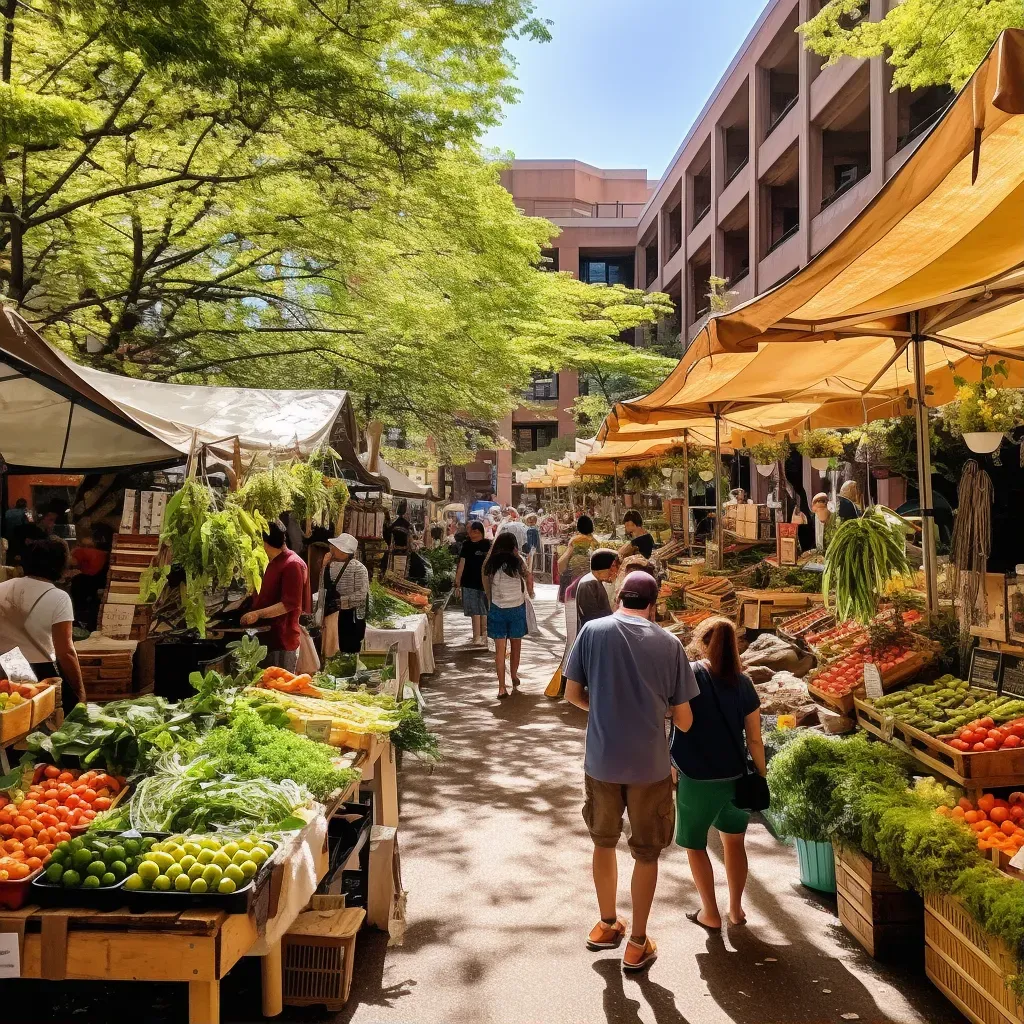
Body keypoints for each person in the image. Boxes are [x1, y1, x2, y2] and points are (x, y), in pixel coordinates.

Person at [565, 571, 698, 971]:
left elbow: (573, 694)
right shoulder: (670, 643)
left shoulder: (593, 632)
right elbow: (686, 721)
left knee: (603, 843)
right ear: (654, 605)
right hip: (650, 765)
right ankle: (637, 942)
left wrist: (605, 711)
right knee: (646, 852)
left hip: (602, 761)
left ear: (619, 596)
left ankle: (606, 924)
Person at [670, 616, 766, 932]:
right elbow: (754, 738)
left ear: (702, 642)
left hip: (697, 776)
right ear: (735, 646)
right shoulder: (746, 684)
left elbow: (676, 721)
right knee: (734, 843)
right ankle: (736, 910)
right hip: (735, 776)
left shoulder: (690, 676)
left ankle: (710, 912)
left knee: (695, 844)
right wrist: (760, 777)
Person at [0, 537, 86, 710]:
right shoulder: (59, 598)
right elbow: (66, 652)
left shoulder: (2, 588)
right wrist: (80, 691)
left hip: (3, 669)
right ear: (60, 565)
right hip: (40, 674)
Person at [240, 519, 311, 670]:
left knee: (277, 685)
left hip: (282, 639)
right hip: (267, 637)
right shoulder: (273, 561)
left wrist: (257, 614)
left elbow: (289, 604)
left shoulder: (292, 564)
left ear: (264, 542)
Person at [482, 532, 533, 699]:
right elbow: (528, 576)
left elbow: (486, 585)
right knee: (516, 645)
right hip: (517, 608)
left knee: (500, 650)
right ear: (514, 545)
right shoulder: (518, 561)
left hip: (497, 608)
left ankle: (501, 687)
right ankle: (514, 675)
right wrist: (530, 592)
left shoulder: (490, 563)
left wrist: (491, 602)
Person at [321, 534, 370, 658]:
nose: (332, 548)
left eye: (336, 547)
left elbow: (361, 595)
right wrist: (324, 566)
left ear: (344, 551)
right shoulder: (328, 566)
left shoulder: (359, 568)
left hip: (350, 617)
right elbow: (321, 587)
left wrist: (340, 602)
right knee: (332, 650)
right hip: (332, 614)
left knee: (349, 651)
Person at [455, 521, 491, 647]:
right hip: (469, 581)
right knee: (475, 610)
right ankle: (477, 636)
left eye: (470, 530)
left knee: (483, 609)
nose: (468, 533)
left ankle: (484, 635)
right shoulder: (466, 545)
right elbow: (462, 563)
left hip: (484, 582)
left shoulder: (487, 544)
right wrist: (458, 580)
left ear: (477, 532)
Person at [570, 549, 620, 634]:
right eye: (611, 567)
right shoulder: (588, 583)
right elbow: (592, 617)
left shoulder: (595, 581)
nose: (613, 572)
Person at [557, 515, 598, 602]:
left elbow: (563, 561)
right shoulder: (595, 542)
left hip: (576, 577)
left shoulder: (575, 540)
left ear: (578, 527)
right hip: (591, 578)